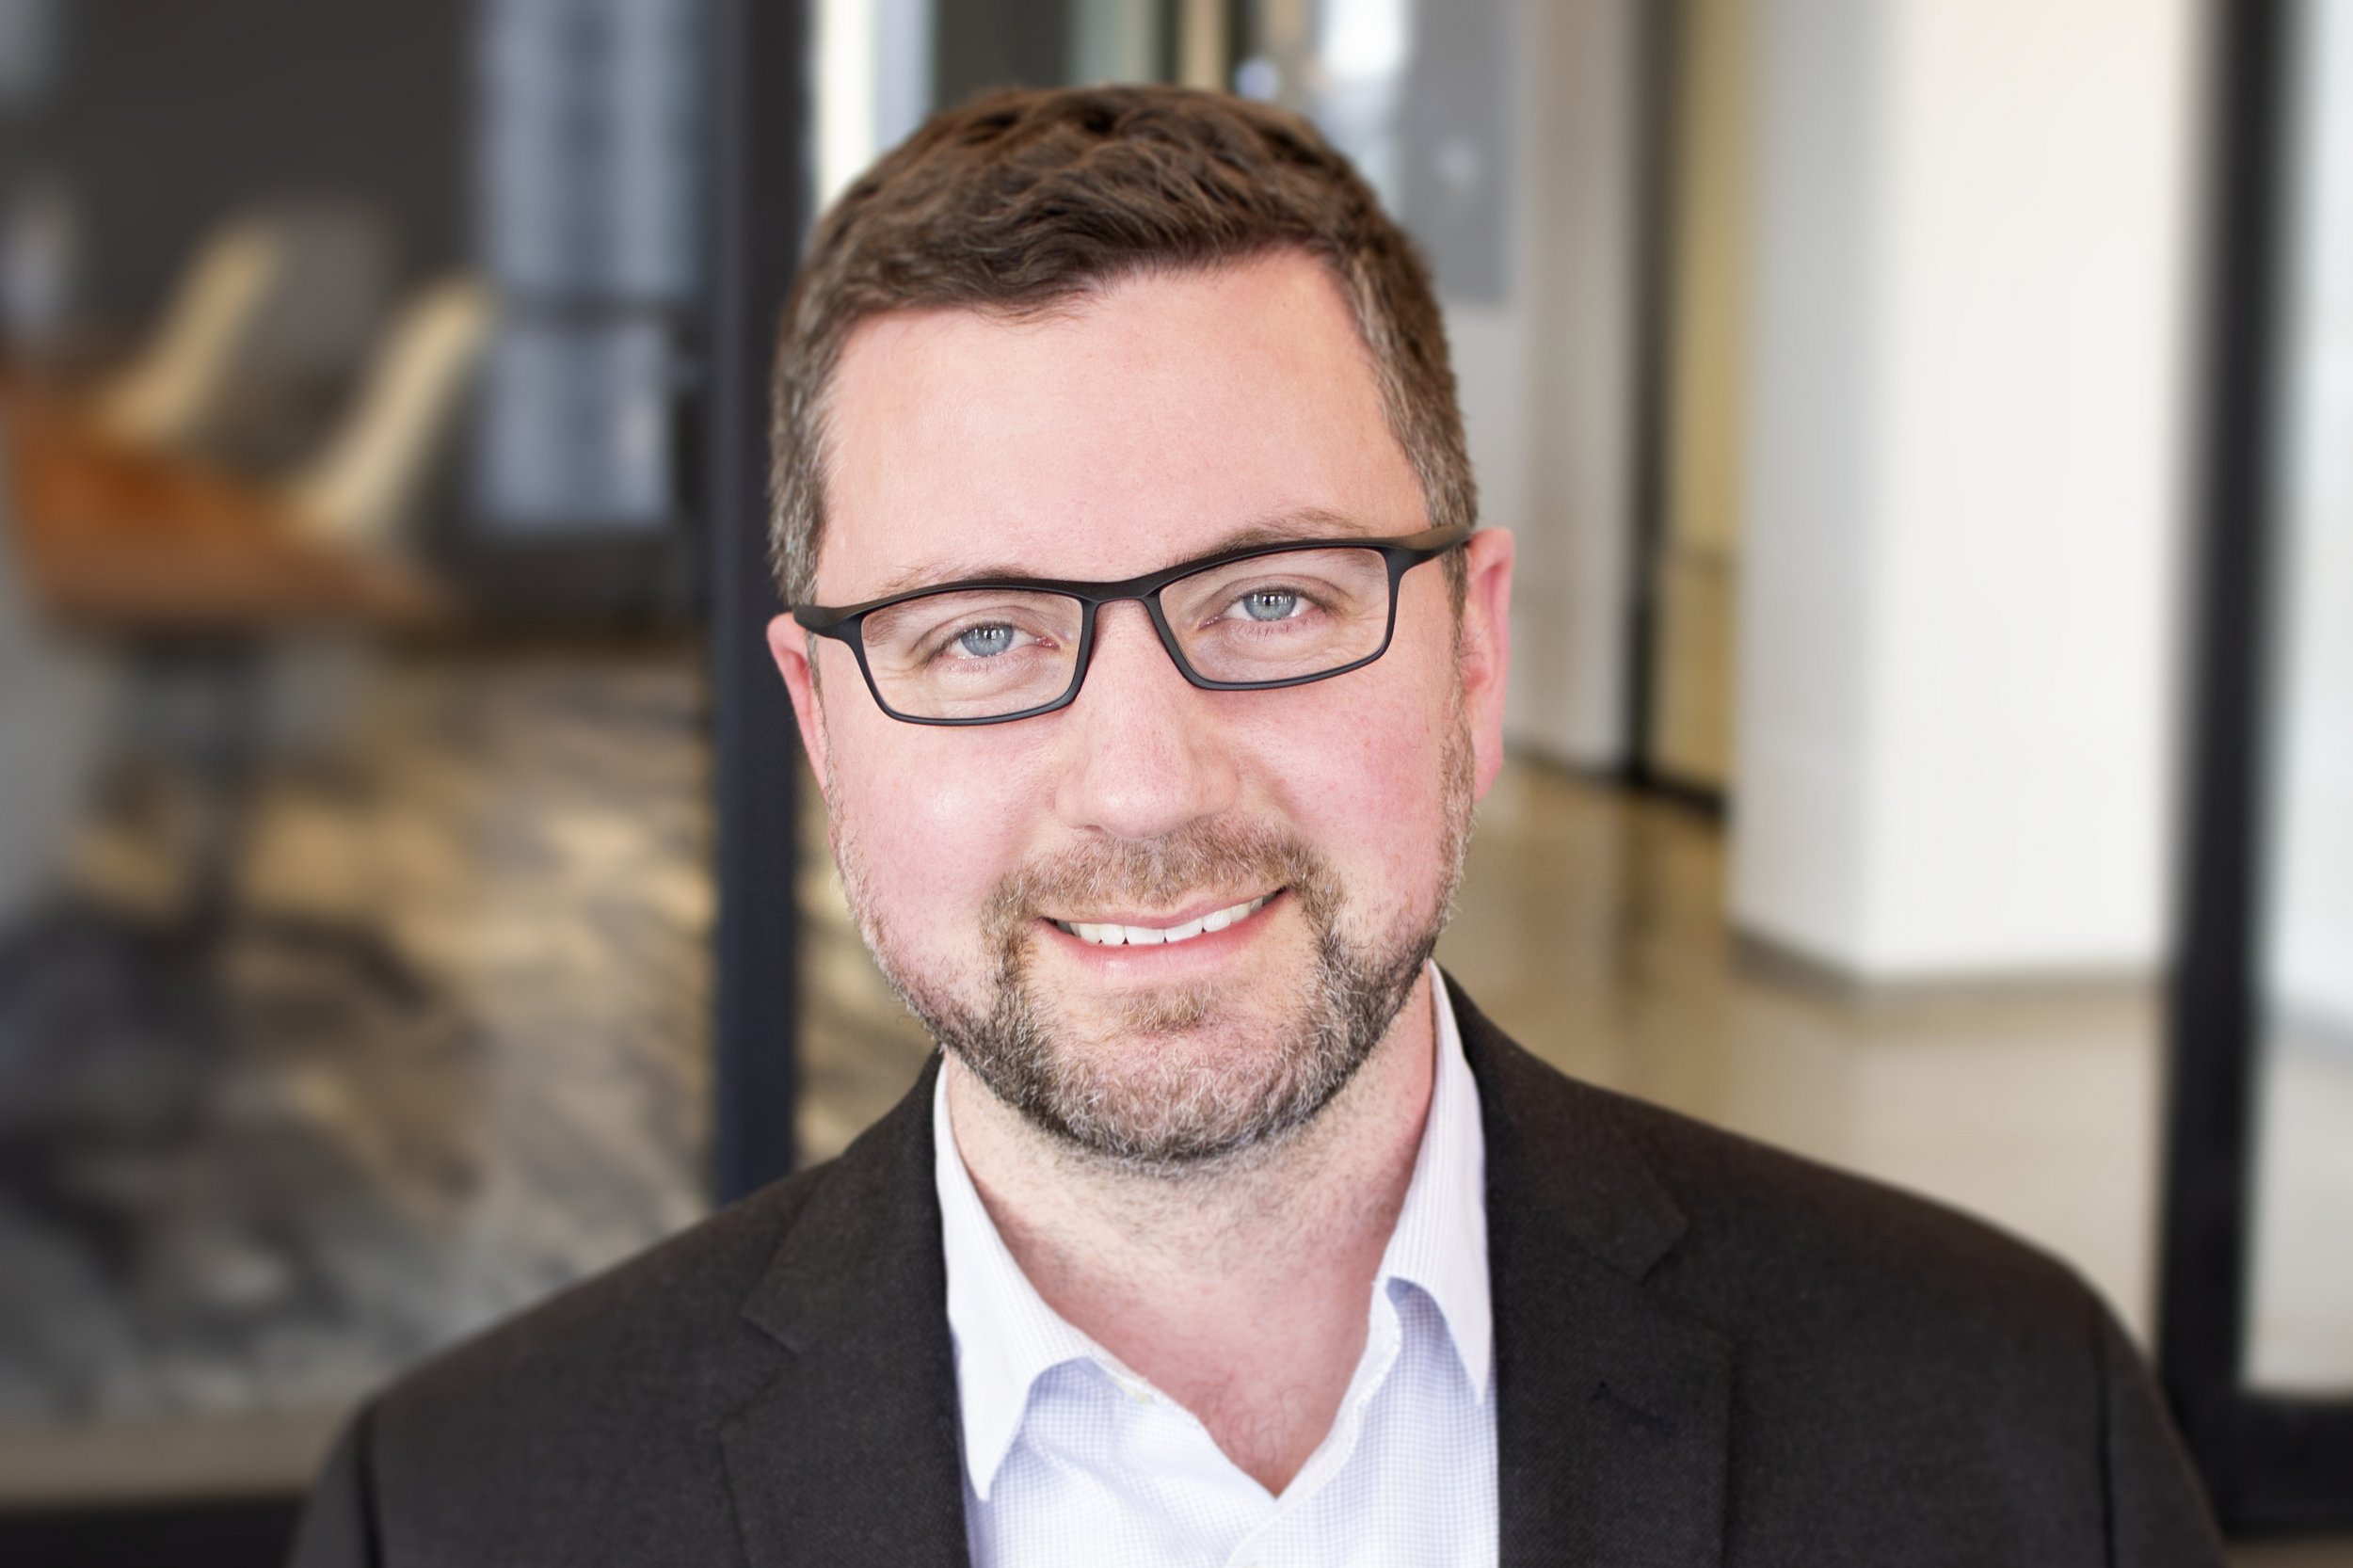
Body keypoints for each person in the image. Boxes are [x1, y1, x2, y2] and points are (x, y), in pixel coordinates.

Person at [290, 85, 2224, 1567]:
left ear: (1473, 654)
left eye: (1273, 599)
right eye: (982, 633)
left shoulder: (2006, 1425)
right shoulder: (464, 1513)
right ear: (821, 721)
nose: (1145, 782)